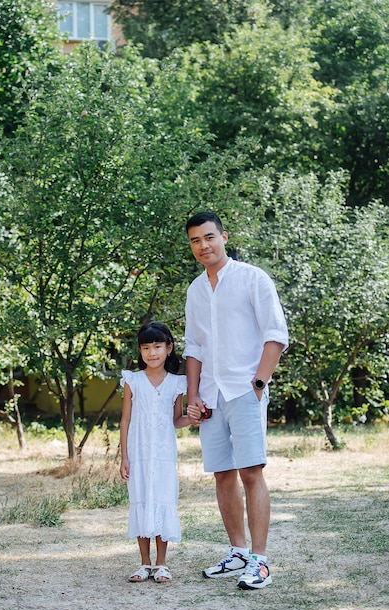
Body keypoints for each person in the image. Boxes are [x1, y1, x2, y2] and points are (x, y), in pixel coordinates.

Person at [183, 210, 288, 590]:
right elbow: (194, 346)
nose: (203, 246)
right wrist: (193, 394)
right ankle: (237, 552)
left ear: (224, 237)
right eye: (195, 240)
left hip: (245, 390)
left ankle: (260, 562)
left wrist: (258, 384)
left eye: (209, 237)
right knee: (223, 475)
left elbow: (275, 333)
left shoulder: (252, 278)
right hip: (210, 395)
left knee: (250, 472)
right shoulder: (195, 290)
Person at [119, 321, 202, 583]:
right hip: (139, 453)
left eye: (157, 346)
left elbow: (176, 420)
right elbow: (125, 420)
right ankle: (144, 564)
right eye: (145, 347)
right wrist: (124, 457)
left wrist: (193, 419)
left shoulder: (177, 384)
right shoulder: (132, 380)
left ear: (169, 348)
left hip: (164, 455)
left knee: (163, 501)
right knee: (142, 500)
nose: (151, 353)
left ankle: (162, 564)